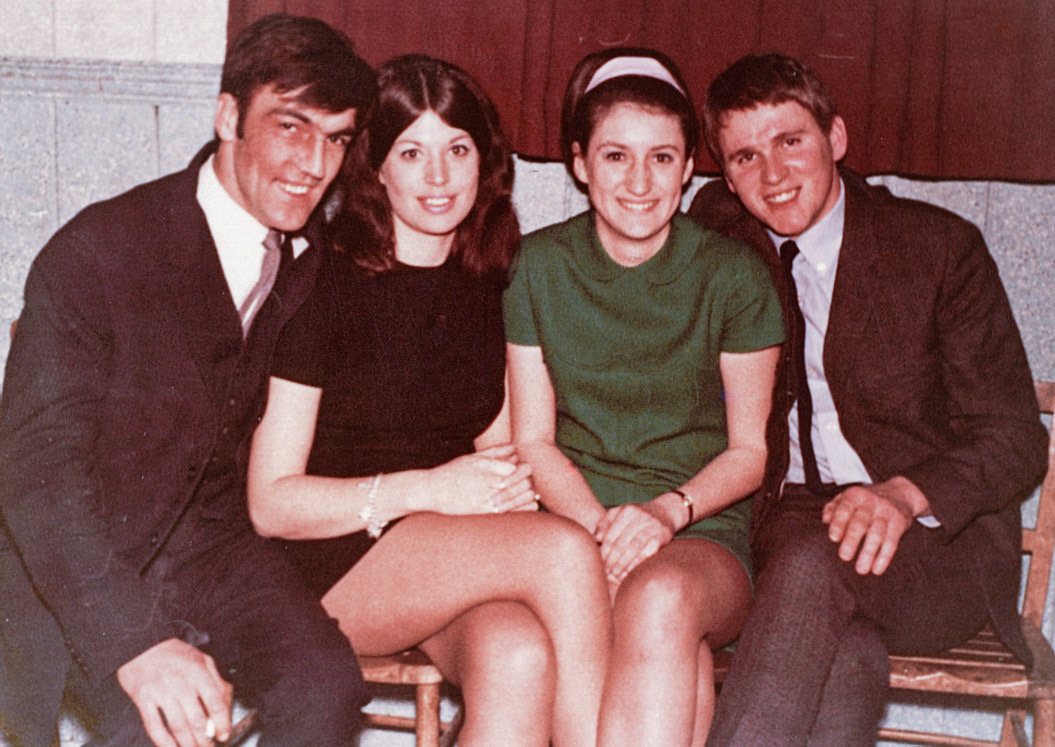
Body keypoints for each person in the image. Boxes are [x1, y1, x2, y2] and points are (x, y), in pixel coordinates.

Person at [0, 14, 377, 746]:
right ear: (228, 114)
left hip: (209, 549)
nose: (314, 162)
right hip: (75, 564)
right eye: (291, 127)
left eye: (335, 138)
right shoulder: (97, 253)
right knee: (157, 726)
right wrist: (135, 645)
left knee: (326, 686)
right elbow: (37, 480)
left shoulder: (307, 254)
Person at [246, 54, 611, 747]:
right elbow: (270, 503)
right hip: (322, 562)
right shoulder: (320, 284)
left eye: (457, 148)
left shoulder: (483, 280)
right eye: (411, 151)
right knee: (562, 556)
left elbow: (501, 455)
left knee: (517, 652)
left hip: (430, 556)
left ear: (486, 161)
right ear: (374, 166)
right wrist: (430, 489)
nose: (438, 176)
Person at [686, 52, 1049, 744]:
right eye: (743, 157)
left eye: (790, 142)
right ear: (725, 176)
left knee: (810, 568)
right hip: (782, 529)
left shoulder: (936, 249)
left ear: (836, 139)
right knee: (846, 656)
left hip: (932, 546)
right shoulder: (717, 235)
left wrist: (905, 493)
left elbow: (1013, 436)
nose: (772, 175)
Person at [504, 48, 785, 745]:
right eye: (614, 157)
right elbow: (531, 439)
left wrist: (663, 514)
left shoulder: (733, 276)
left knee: (658, 596)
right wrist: (601, 534)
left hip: (697, 530)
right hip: (570, 529)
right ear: (578, 162)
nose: (638, 182)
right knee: (670, 651)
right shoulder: (536, 267)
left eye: (661, 158)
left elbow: (749, 453)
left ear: (689, 166)